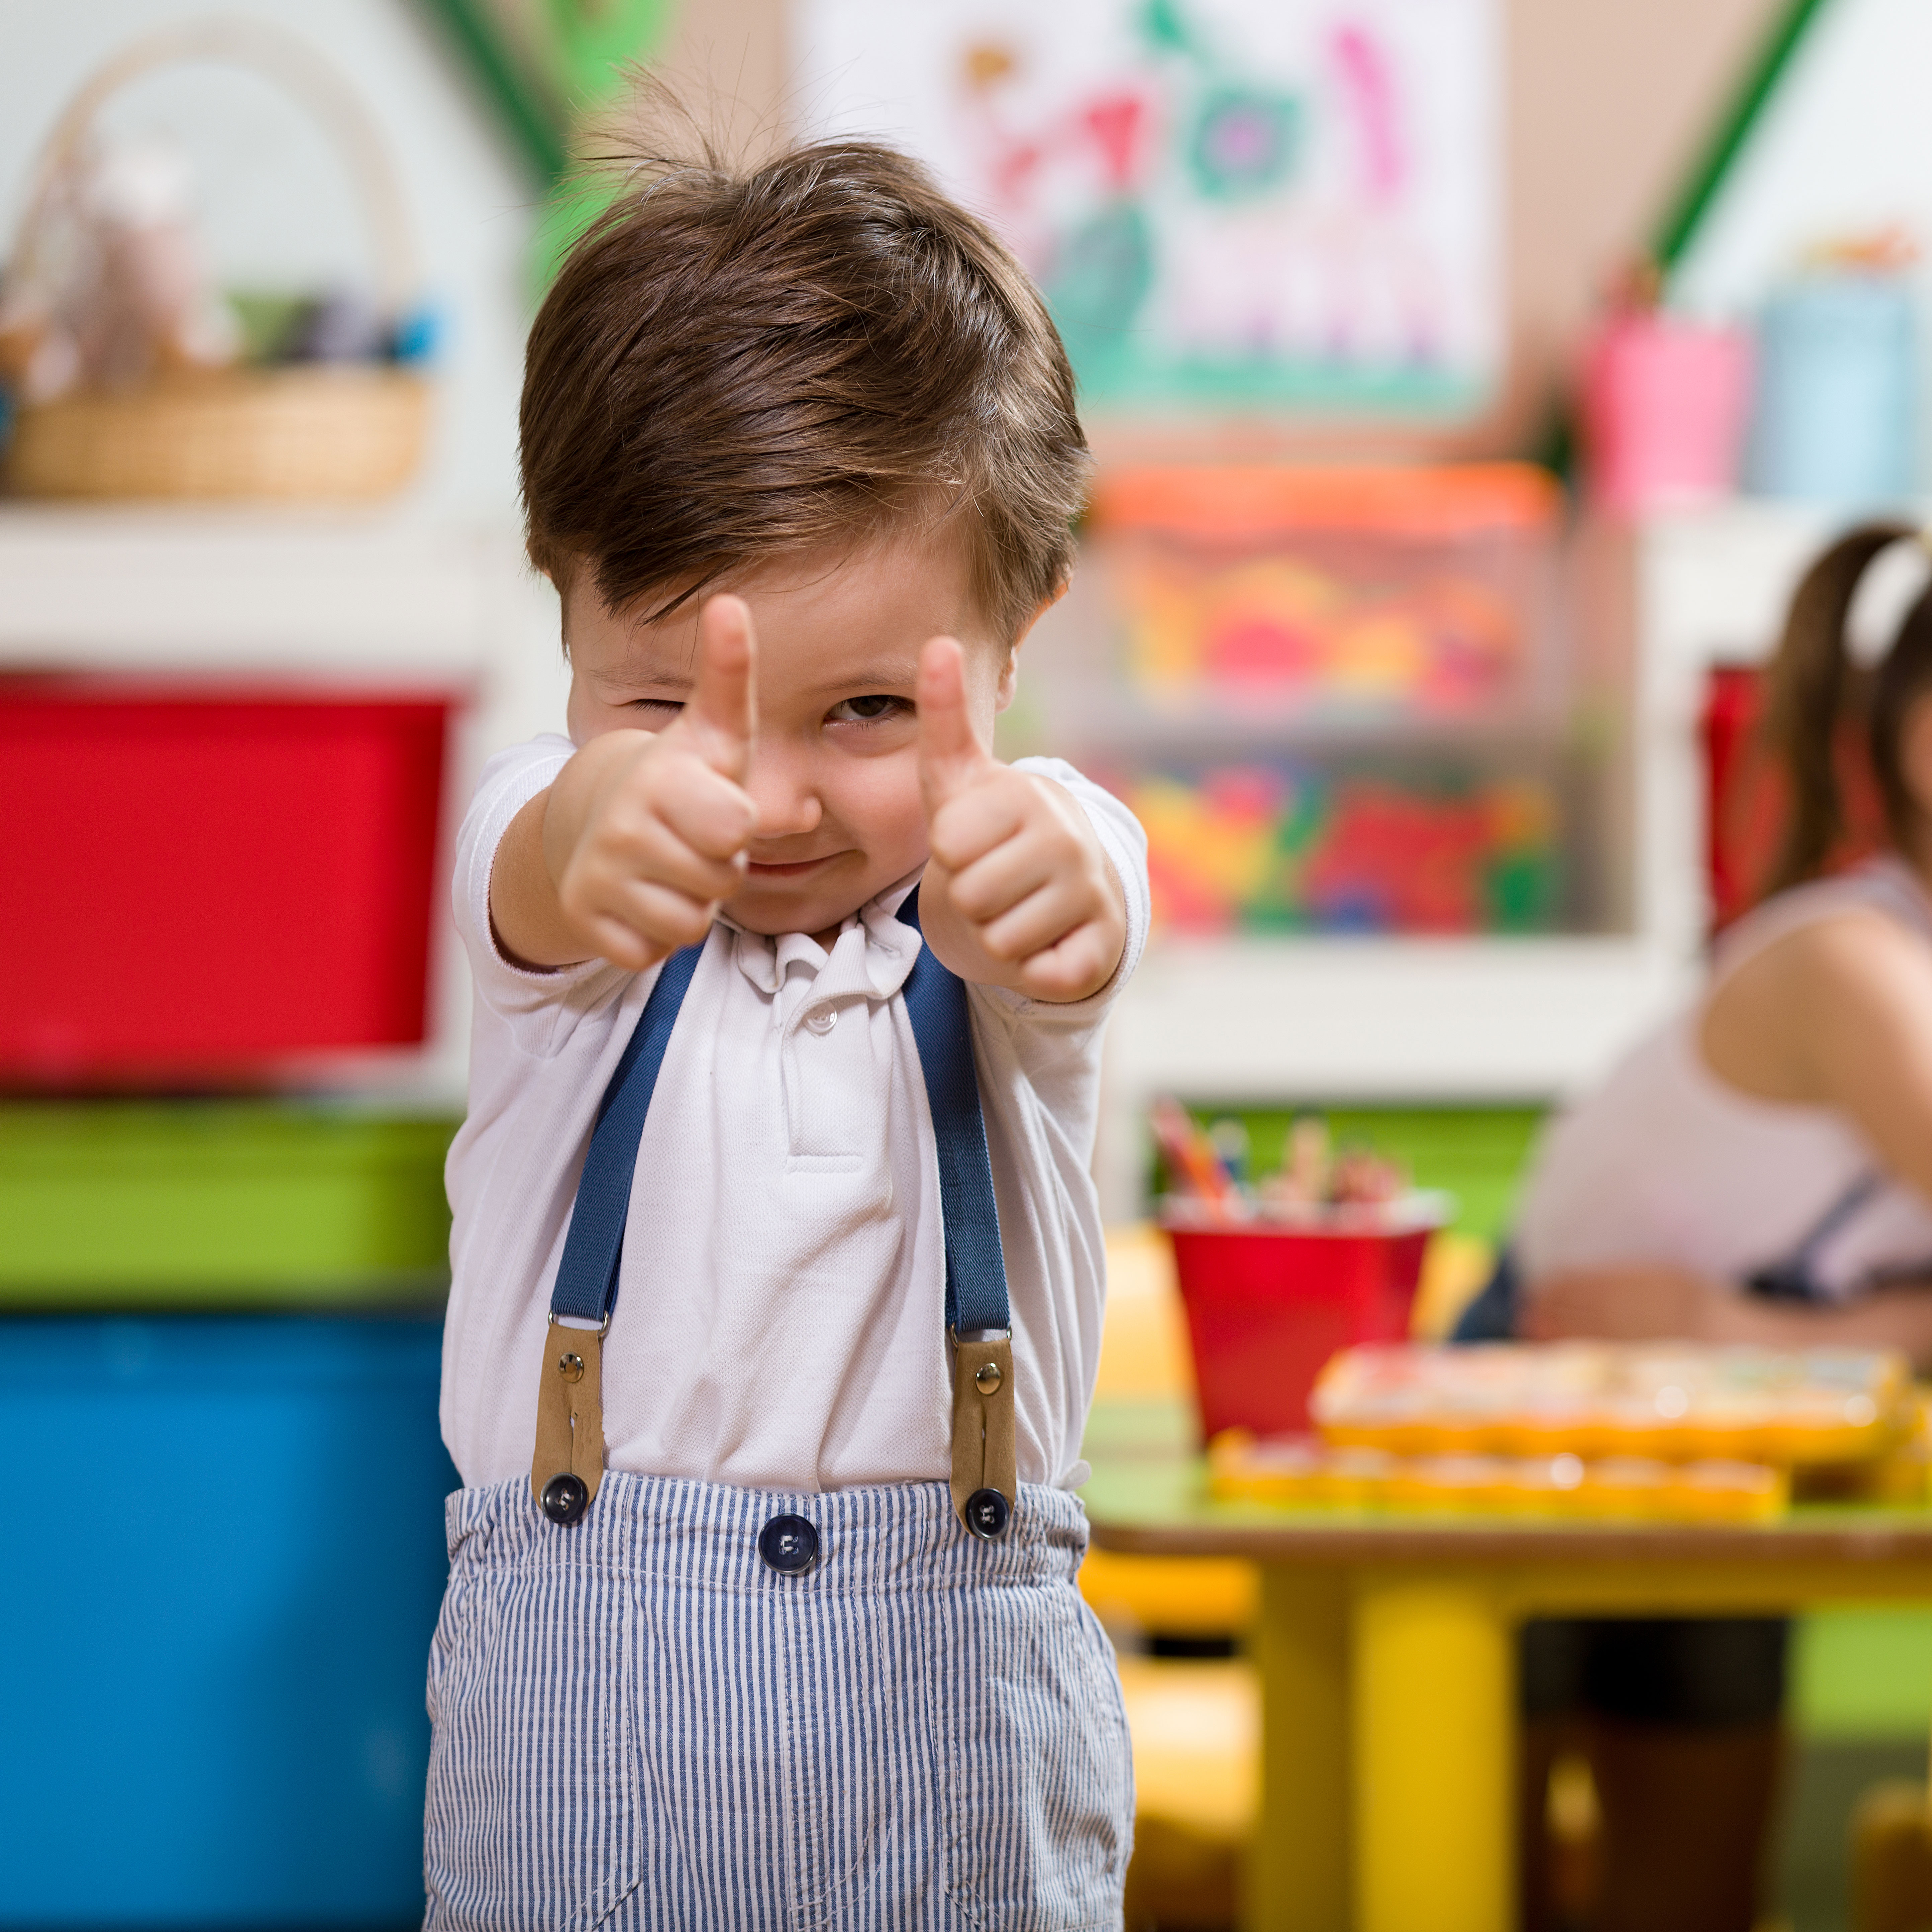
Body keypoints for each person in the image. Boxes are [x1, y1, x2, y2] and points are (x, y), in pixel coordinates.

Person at [423, 117, 1149, 1927]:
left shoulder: (1025, 855)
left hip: (959, 1786)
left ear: (1023, 624)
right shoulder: (561, 875)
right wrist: (613, 811)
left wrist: (1024, 901)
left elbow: (1070, 903)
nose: (758, 800)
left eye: (865, 715)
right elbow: (548, 857)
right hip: (596, 1800)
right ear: (561, 607)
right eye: (671, 698)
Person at [1458, 522, 1932, 1932]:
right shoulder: (1856, 959)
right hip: (1517, 1405)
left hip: (1732, 1414)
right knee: (1481, 1887)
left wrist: (1760, 1334)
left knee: (1688, 1901)